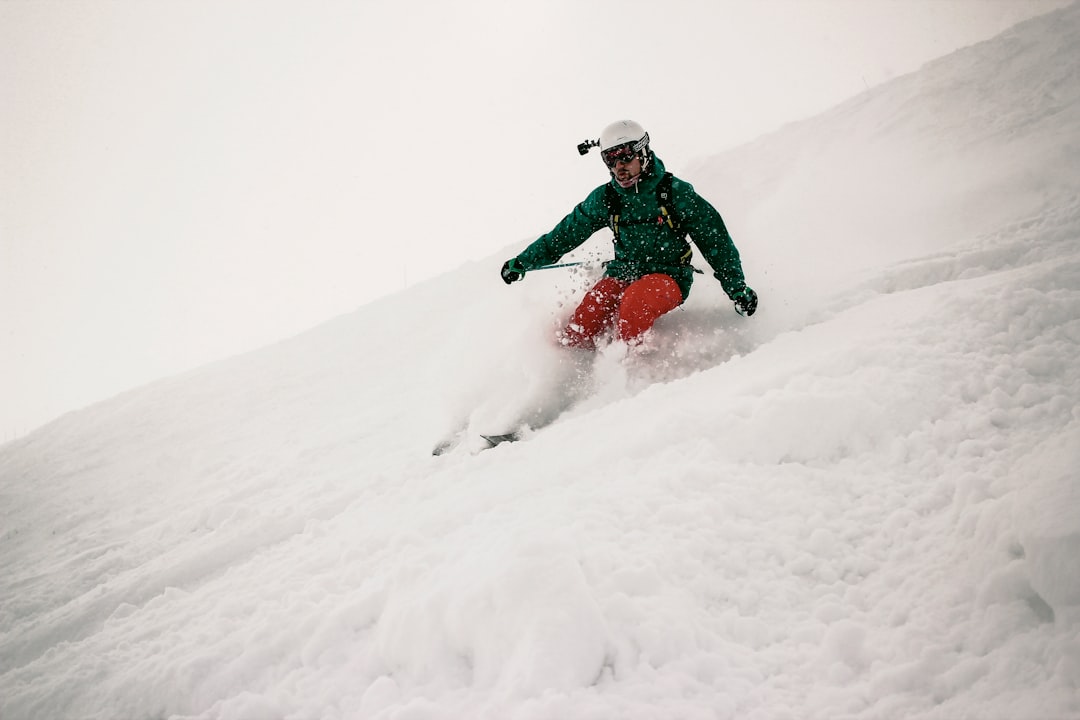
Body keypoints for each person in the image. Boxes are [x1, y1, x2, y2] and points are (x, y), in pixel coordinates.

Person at [500, 119, 757, 350]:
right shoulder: (608, 198)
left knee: (635, 304)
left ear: (643, 153)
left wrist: (736, 288)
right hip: (623, 271)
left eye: (624, 158)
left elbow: (714, 240)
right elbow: (565, 234)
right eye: (609, 160)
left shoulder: (674, 192)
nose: (618, 167)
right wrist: (524, 261)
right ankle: (577, 382)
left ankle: (633, 380)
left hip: (669, 275)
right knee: (585, 320)